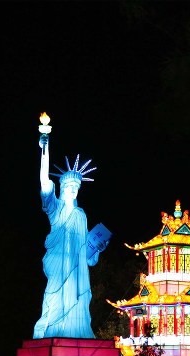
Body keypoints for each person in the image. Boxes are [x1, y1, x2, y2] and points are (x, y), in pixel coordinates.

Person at [33, 132, 107, 339]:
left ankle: (77, 333)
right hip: (58, 263)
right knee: (52, 298)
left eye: (76, 187)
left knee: (79, 299)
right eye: (69, 186)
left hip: (76, 270)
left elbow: (86, 253)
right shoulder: (55, 209)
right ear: (63, 188)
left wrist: (96, 250)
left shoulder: (81, 215)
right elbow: (44, 180)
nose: (73, 190)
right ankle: (50, 331)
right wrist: (44, 150)